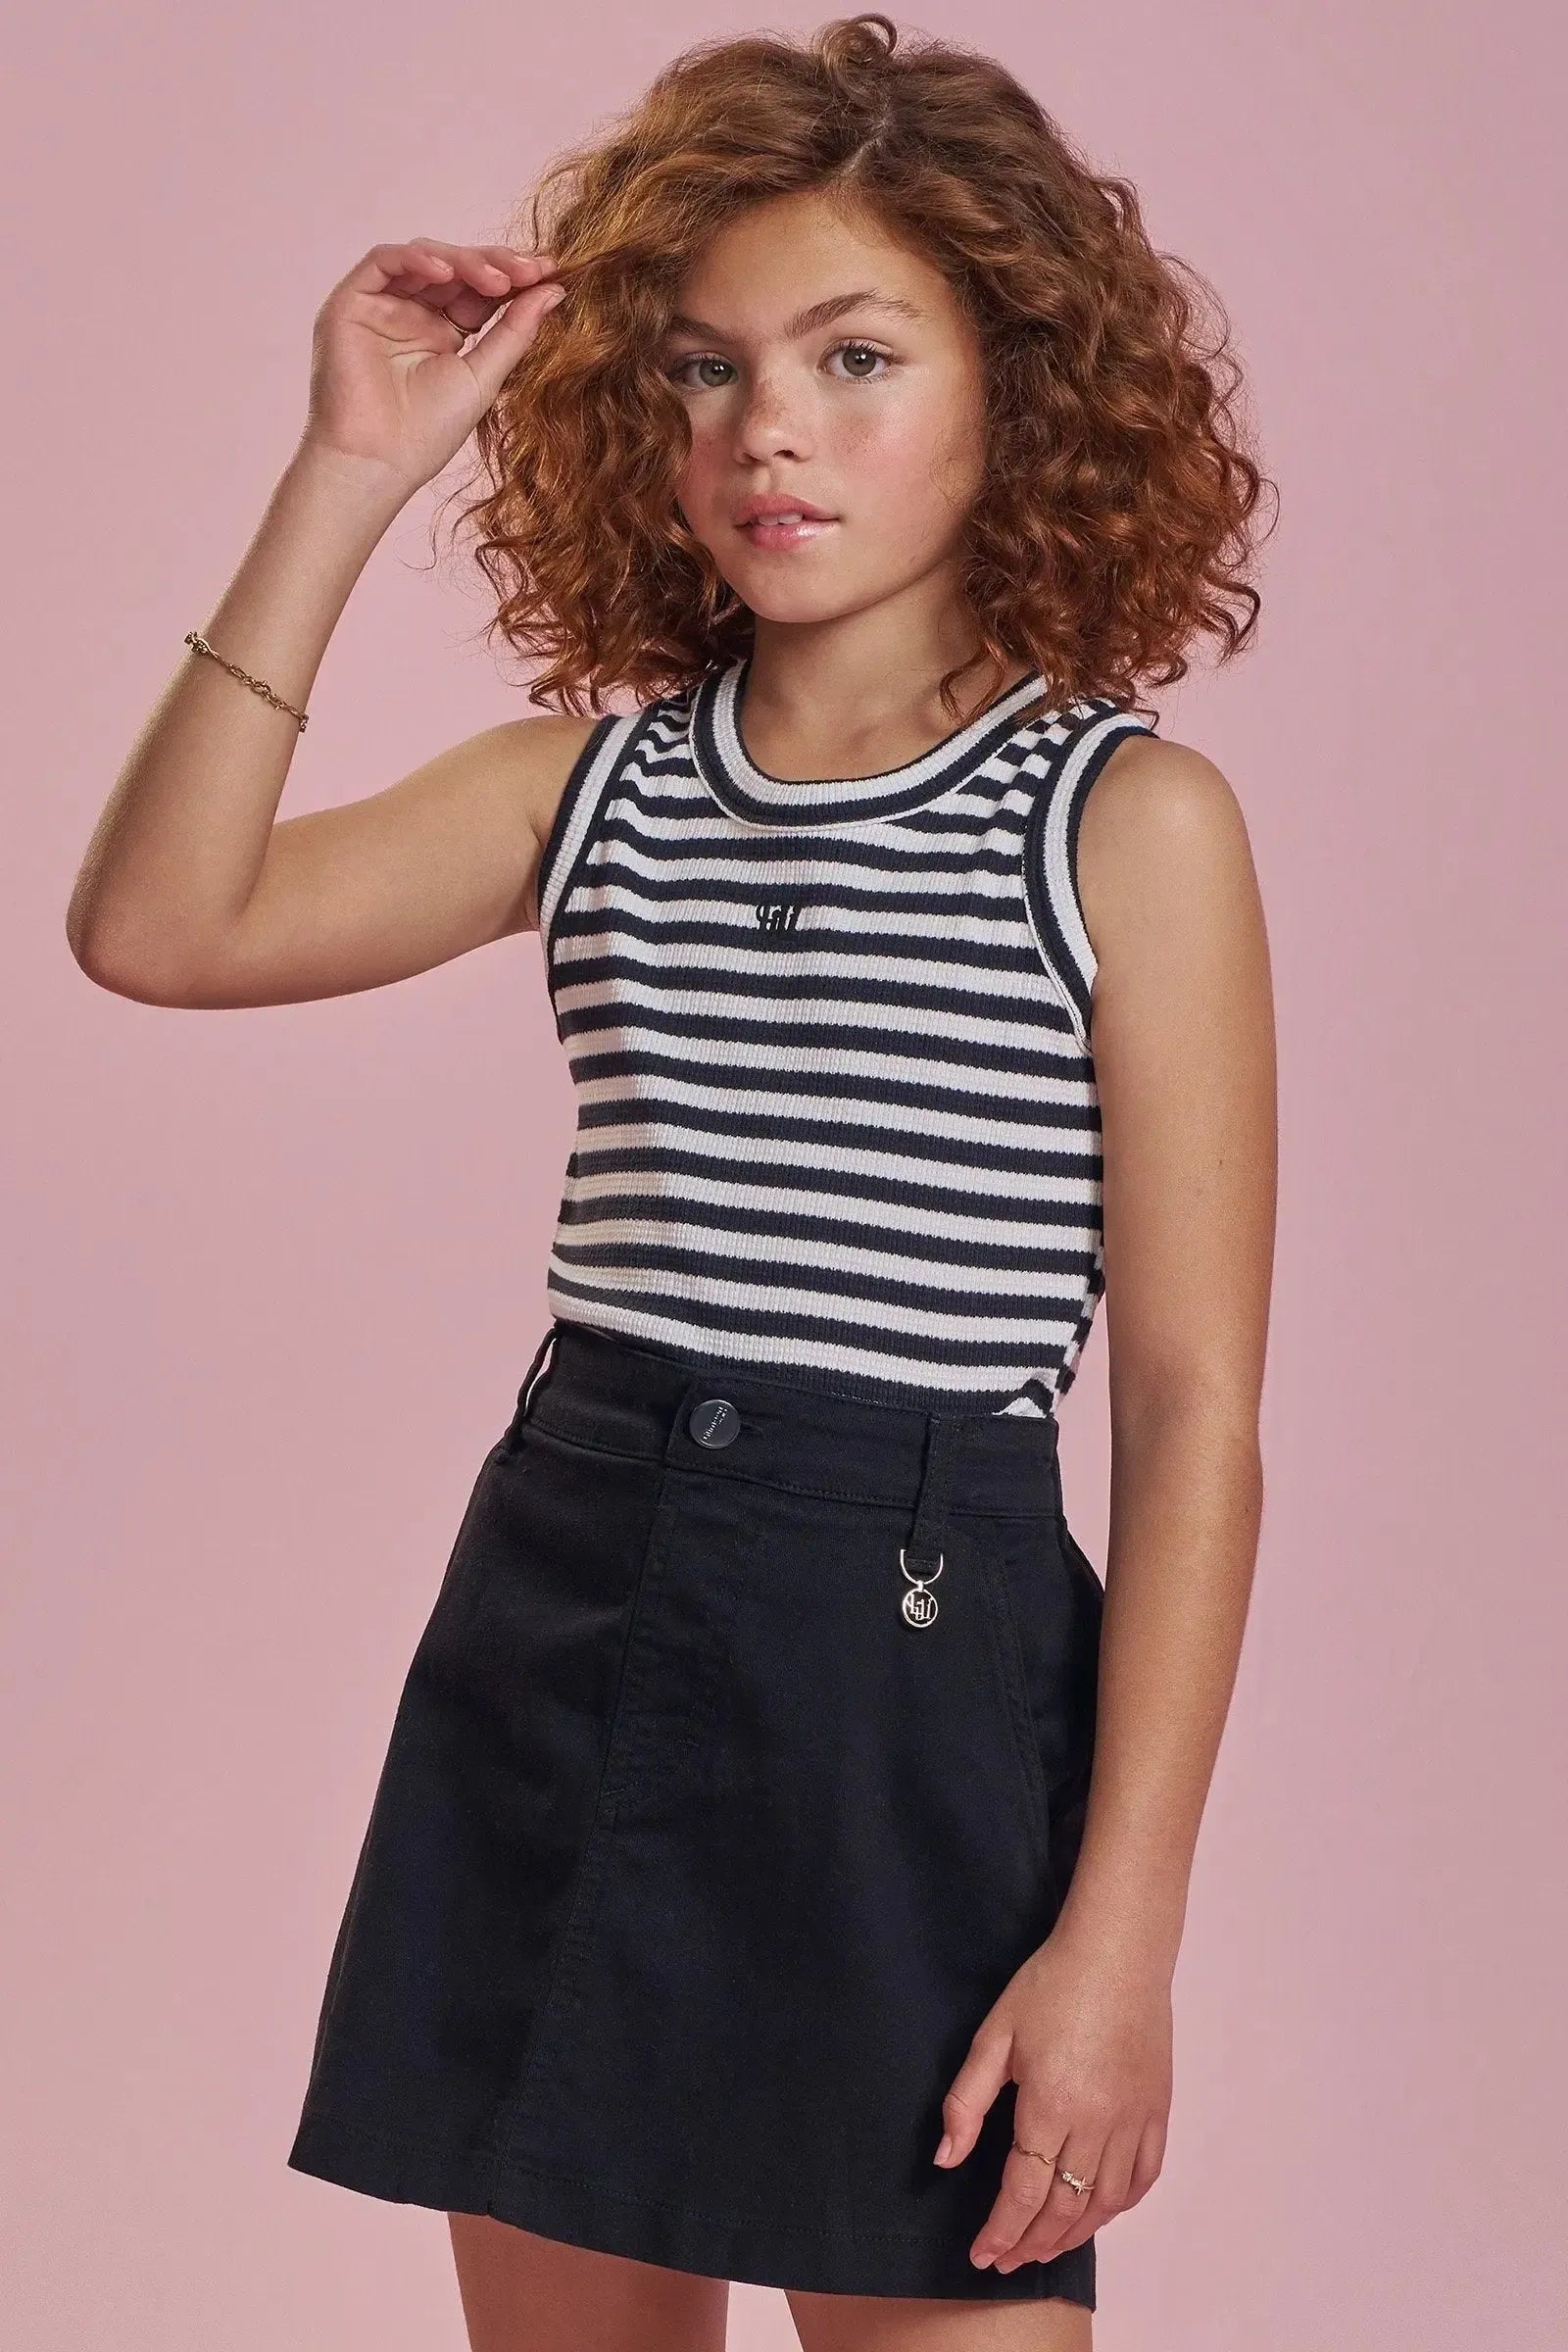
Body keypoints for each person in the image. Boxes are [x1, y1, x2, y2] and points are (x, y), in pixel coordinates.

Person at [66, 16, 1277, 2350]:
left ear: (1015, 389)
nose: (766, 430)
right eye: (707, 369)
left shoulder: (1121, 822)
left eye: (852, 355)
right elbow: (160, 927)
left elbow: (1190, 1408)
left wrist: (1120, 1936)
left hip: (906, 1687)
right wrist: (345, 476)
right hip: (572, 1607)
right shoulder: (588, 790)